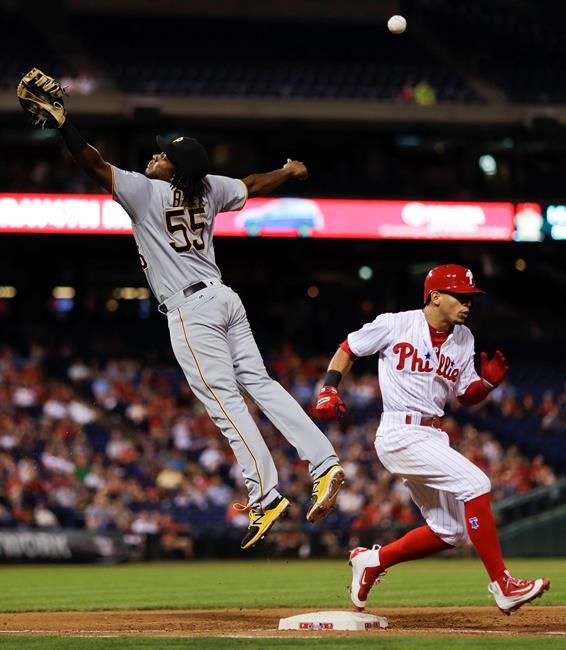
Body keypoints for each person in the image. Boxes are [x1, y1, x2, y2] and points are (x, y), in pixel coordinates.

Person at [37, 107, 344, 550]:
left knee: (225, 403)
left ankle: (264, 494)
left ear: (175, 171)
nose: (153, 158)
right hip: (224, 298)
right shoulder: (208, 187)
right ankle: (323, 462)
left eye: (163, 157)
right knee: (260, 383)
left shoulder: (145, 191)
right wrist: (288, 170)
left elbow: (92, 163)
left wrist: (65, 125)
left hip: (190, 308)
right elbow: (254, 184)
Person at [315, 264, 550, 615]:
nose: (468, 303)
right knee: (476, 483)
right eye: (460, 296)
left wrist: (485, 385)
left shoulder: (464, 338)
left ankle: (373, 561)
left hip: (432, 434)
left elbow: (464, 395)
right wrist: (329, 387)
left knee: (451, 531)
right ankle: (503, 584)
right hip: (398, 431)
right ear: (435, 297)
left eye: (470, 298)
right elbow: (348, 348)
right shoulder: (395, 324)